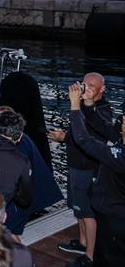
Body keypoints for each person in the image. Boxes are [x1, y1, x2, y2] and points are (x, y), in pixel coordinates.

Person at [47, 73, 116, 264]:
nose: (87, 88)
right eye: (85, 84)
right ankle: (83, 242)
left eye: (93, 85)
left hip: (87, 168)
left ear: (103, 89)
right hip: (75, 165)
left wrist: (64, 138)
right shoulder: (84, 105)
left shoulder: (102, 111)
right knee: (78, 208)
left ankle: (90, 255)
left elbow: (90, 140)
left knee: (87, 211)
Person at [68, 82, 125, 267]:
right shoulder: (120, 141)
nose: (121, 120)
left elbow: (84, 140)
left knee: (112, 259)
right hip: (107, 214)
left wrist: (75, 107)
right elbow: (103, 126)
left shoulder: (120, 157)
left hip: (116, 217)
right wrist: (90, 103)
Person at [0, 106, 62, 239]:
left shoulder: (17, 143)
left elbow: (17, 176)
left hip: (22, 200)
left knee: (8, 232)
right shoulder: (20, 138)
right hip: (30, 196)